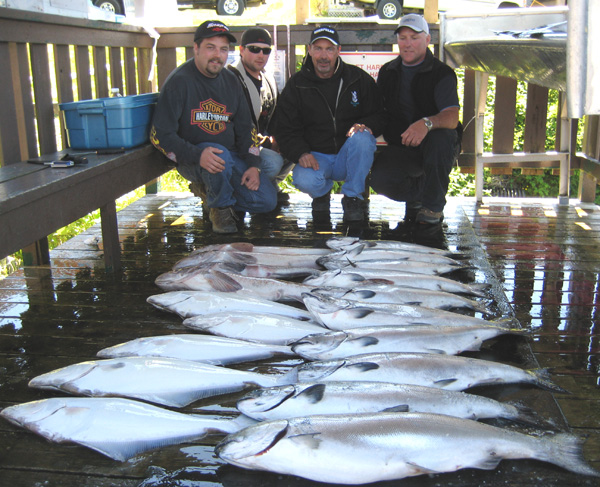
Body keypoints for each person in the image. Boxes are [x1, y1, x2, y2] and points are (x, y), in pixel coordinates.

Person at [150, 20, 277, 234]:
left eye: (223, 49)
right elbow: (159, 135)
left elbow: (246, 128)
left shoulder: (231, 80)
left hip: (231, 157)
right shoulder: (179, 82)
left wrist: (253, 165)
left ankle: (212, 193)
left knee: (266, 201)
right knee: (217, 153)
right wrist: (198, 155)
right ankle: (220, 209)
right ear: (196, 48)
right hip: (192, 159)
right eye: (210, 47)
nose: (217, 55)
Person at [275, 25, 385, 222]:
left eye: (329, 49)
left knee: (363, 139)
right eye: (318, 48)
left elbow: (380, 113)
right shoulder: (297, 84)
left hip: (347, 155)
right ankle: (321, 194)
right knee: (303, 179)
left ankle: (352, 197)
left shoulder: (357, 79)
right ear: (309, 50)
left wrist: (367, 125)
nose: (323, 55)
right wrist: (301, 152)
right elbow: (285, 127)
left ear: (338, 51)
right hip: (317, 157)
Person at [371, 14, 462, 226]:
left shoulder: (442, 73)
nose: (408, 43)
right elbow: (379, 112)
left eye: (414, 37)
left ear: (427, 40)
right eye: (403, 38)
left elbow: (452, 117)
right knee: (379, 179)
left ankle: (432, 208)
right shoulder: (388, 71)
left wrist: (426, 124)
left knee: (442, 138)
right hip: (402, 146)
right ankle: (423, 192)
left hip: (437, 147)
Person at [227, 27, 292, 204]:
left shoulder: (268, 78)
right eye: (254, 49)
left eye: (266, 50)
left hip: (262, 141)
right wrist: (268, 143)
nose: (260, 55)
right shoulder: (230, 79)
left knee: (296, 146)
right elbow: (235, 129)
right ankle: (239, 193)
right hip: (239, 147)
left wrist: (278, 139)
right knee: (272, 162)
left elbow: (276, 117)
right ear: (241, 50)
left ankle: (269, 186)